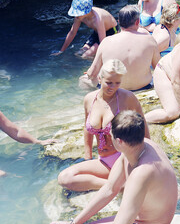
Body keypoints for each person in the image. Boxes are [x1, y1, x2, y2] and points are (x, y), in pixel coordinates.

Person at [49, 111, 179, 224]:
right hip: (136, 222)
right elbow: (110, 189)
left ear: (119, 142)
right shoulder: (139, 146)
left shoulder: (142, 174)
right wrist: (73, 223)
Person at [58, 59, 147, 192]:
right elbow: (86, 128)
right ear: (99, 78)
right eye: (109, 82)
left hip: (124, 158)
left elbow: (143, 126)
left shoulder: (127, 98)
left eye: (117, 83)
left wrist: (147, 159)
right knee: (65, 178)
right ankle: (119, 187)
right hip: (104, 161)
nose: (113, 87)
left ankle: (116, 185)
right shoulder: (89, 99)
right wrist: (87, 157)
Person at [83, 5, 159, 92]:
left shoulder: (106, 42)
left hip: (115, 89)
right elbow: (158, 67)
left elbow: (92, 73)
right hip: (144, 86)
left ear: (119, 22)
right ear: (137, 22)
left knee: (84, 79)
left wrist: (88, 74)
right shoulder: (150, 40)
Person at [54, 0, 118, 58]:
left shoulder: (98, 19)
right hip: (97, 32)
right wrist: (61, 51)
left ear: (86, 12)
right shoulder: (79, 17)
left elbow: (102, 43)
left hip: (111, 32)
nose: (76, 16)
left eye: (78, 13)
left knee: (86, 55)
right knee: (79, 53)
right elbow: (72, 32)